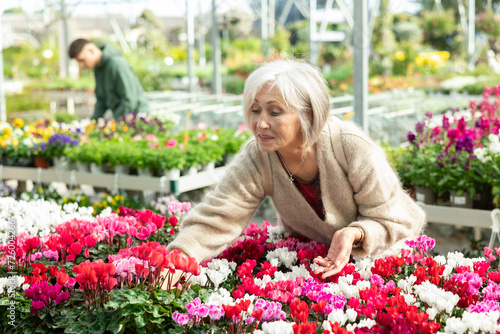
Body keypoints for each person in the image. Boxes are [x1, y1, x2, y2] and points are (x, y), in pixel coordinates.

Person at [165, 59, 425, 284]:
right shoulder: (259, 156)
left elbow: (396, 220)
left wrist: (356, 233)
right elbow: (219, 216)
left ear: (308, 116)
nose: (261, 123)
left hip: (381, 266)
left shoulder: (349, 146)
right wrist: (178, 259)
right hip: (320, 268)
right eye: (255, 110)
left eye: (275, 112)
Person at [68, 38, 150, 120]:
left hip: (137, 118)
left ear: (91, 51)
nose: (82, 65)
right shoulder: (98, 69)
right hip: (123, 118)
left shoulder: (116, 64)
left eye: (82, 60)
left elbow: (130, 101)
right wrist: (92, 122)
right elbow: (101, 101)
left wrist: (113, 123)